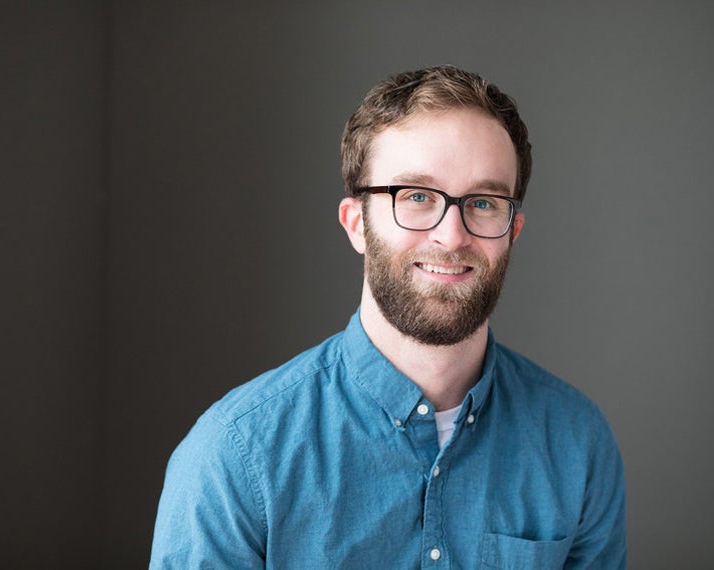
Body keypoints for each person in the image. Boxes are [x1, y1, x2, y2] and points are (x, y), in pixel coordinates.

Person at [149, 65, 626, 569]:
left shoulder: (578, 443)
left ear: (513, 231)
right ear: (357, 223)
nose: (452, 236)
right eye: (417, 197)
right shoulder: (235, 454)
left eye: (483, 202)